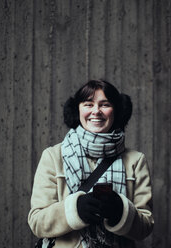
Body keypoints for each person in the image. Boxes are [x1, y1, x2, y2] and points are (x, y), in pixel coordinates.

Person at [28, 80, 154, 248]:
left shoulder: (136, 161)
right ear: (76, 110)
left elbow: (145, 227)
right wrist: (75, 210)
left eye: (105, 104)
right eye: (88, 104)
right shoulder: (53, 156)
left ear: (117, 111)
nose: (96, 111)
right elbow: (37, 222)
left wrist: (120, 212)